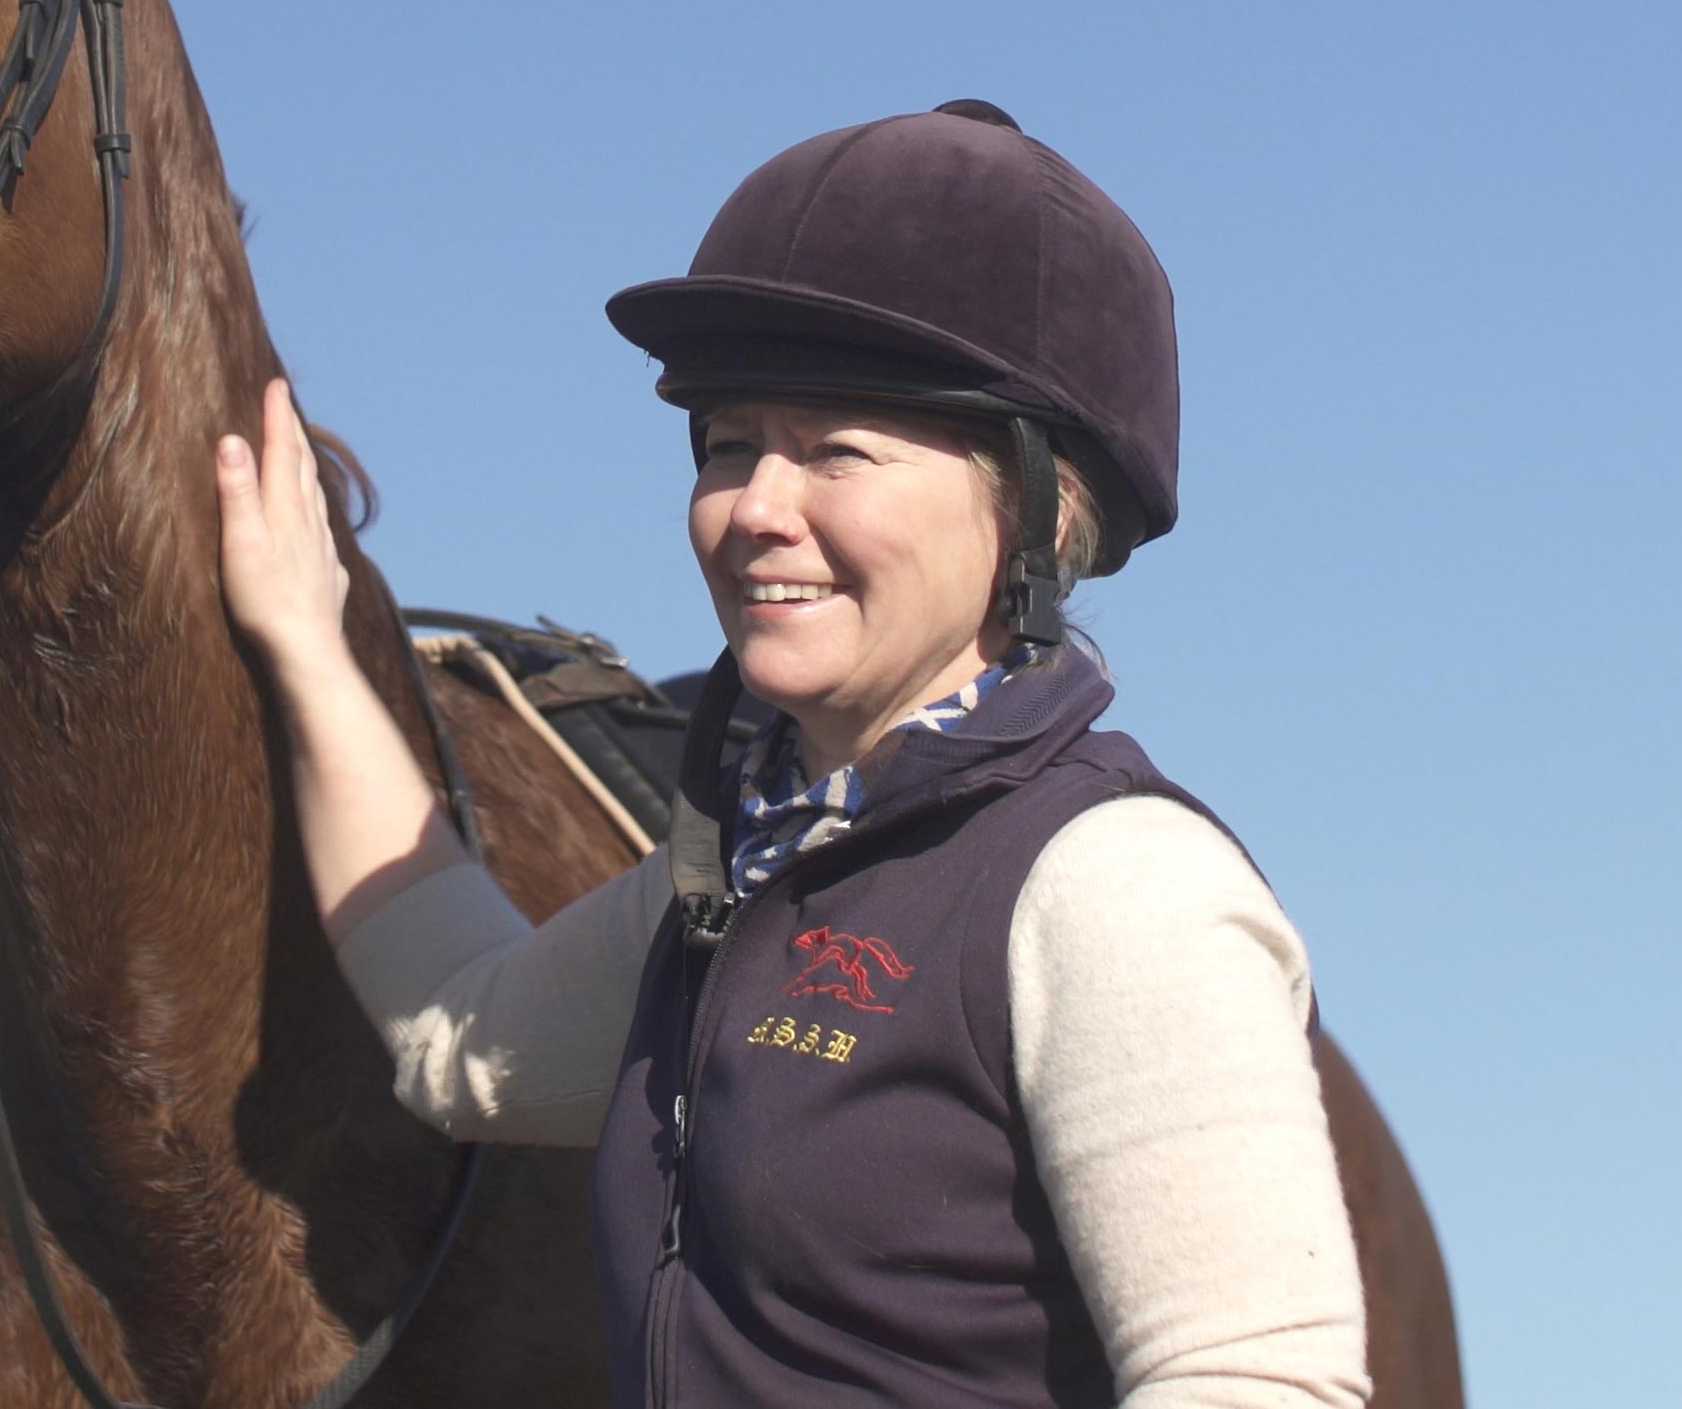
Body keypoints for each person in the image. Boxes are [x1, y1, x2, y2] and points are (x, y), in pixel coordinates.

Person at [216, 101, 1369, 1409]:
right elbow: (461, 1036)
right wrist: (309, 647)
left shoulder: (1115, 892)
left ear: (1037, 510)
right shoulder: (738, 874)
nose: (756, 510)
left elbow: (1256, 1384)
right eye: (729, 447)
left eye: (836, 453)